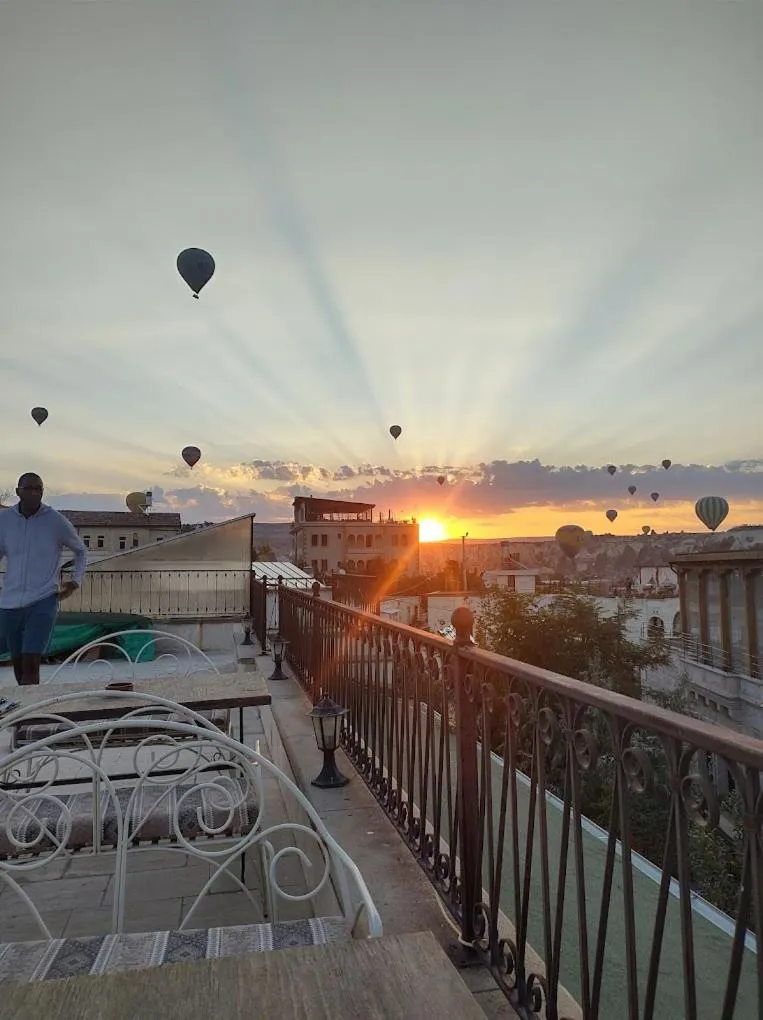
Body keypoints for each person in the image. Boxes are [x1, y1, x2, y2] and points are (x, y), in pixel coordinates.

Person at [0, 473, 87, 685]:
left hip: (43, 599)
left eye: (38, 489)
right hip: (9, 602)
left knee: (31, 663)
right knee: (18, 665)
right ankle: (25, 712)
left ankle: (32, 716)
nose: (34, 493)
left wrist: (75, 582)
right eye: (29, 488)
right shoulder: (4, 520)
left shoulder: (55, 521)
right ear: (18, 491)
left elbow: (81, 551)